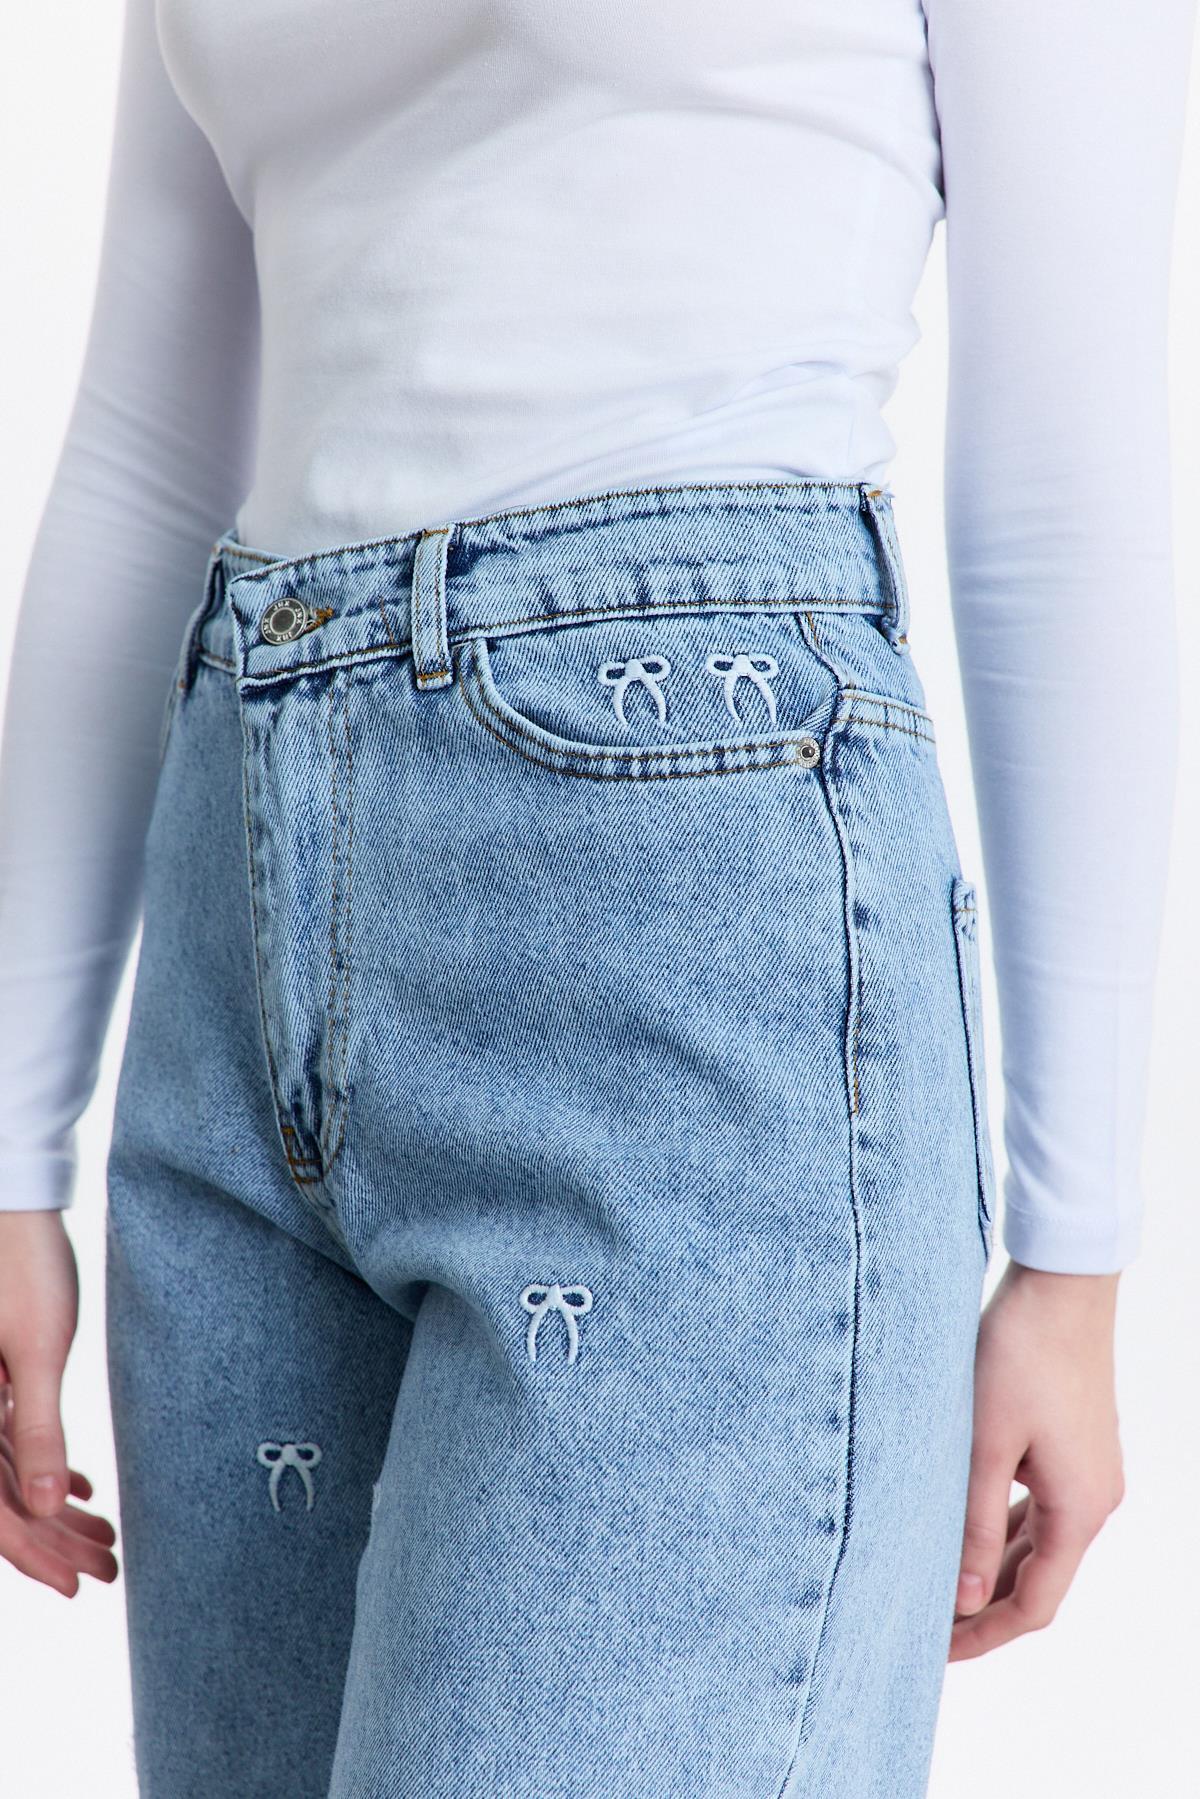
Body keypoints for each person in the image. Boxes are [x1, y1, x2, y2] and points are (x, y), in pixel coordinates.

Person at [0, 1, 1192, 1793]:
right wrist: (10, 1146)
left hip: (685, 948)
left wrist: (1072, 1255)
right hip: (232, 959)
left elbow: (1064, 474)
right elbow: (146, 449)